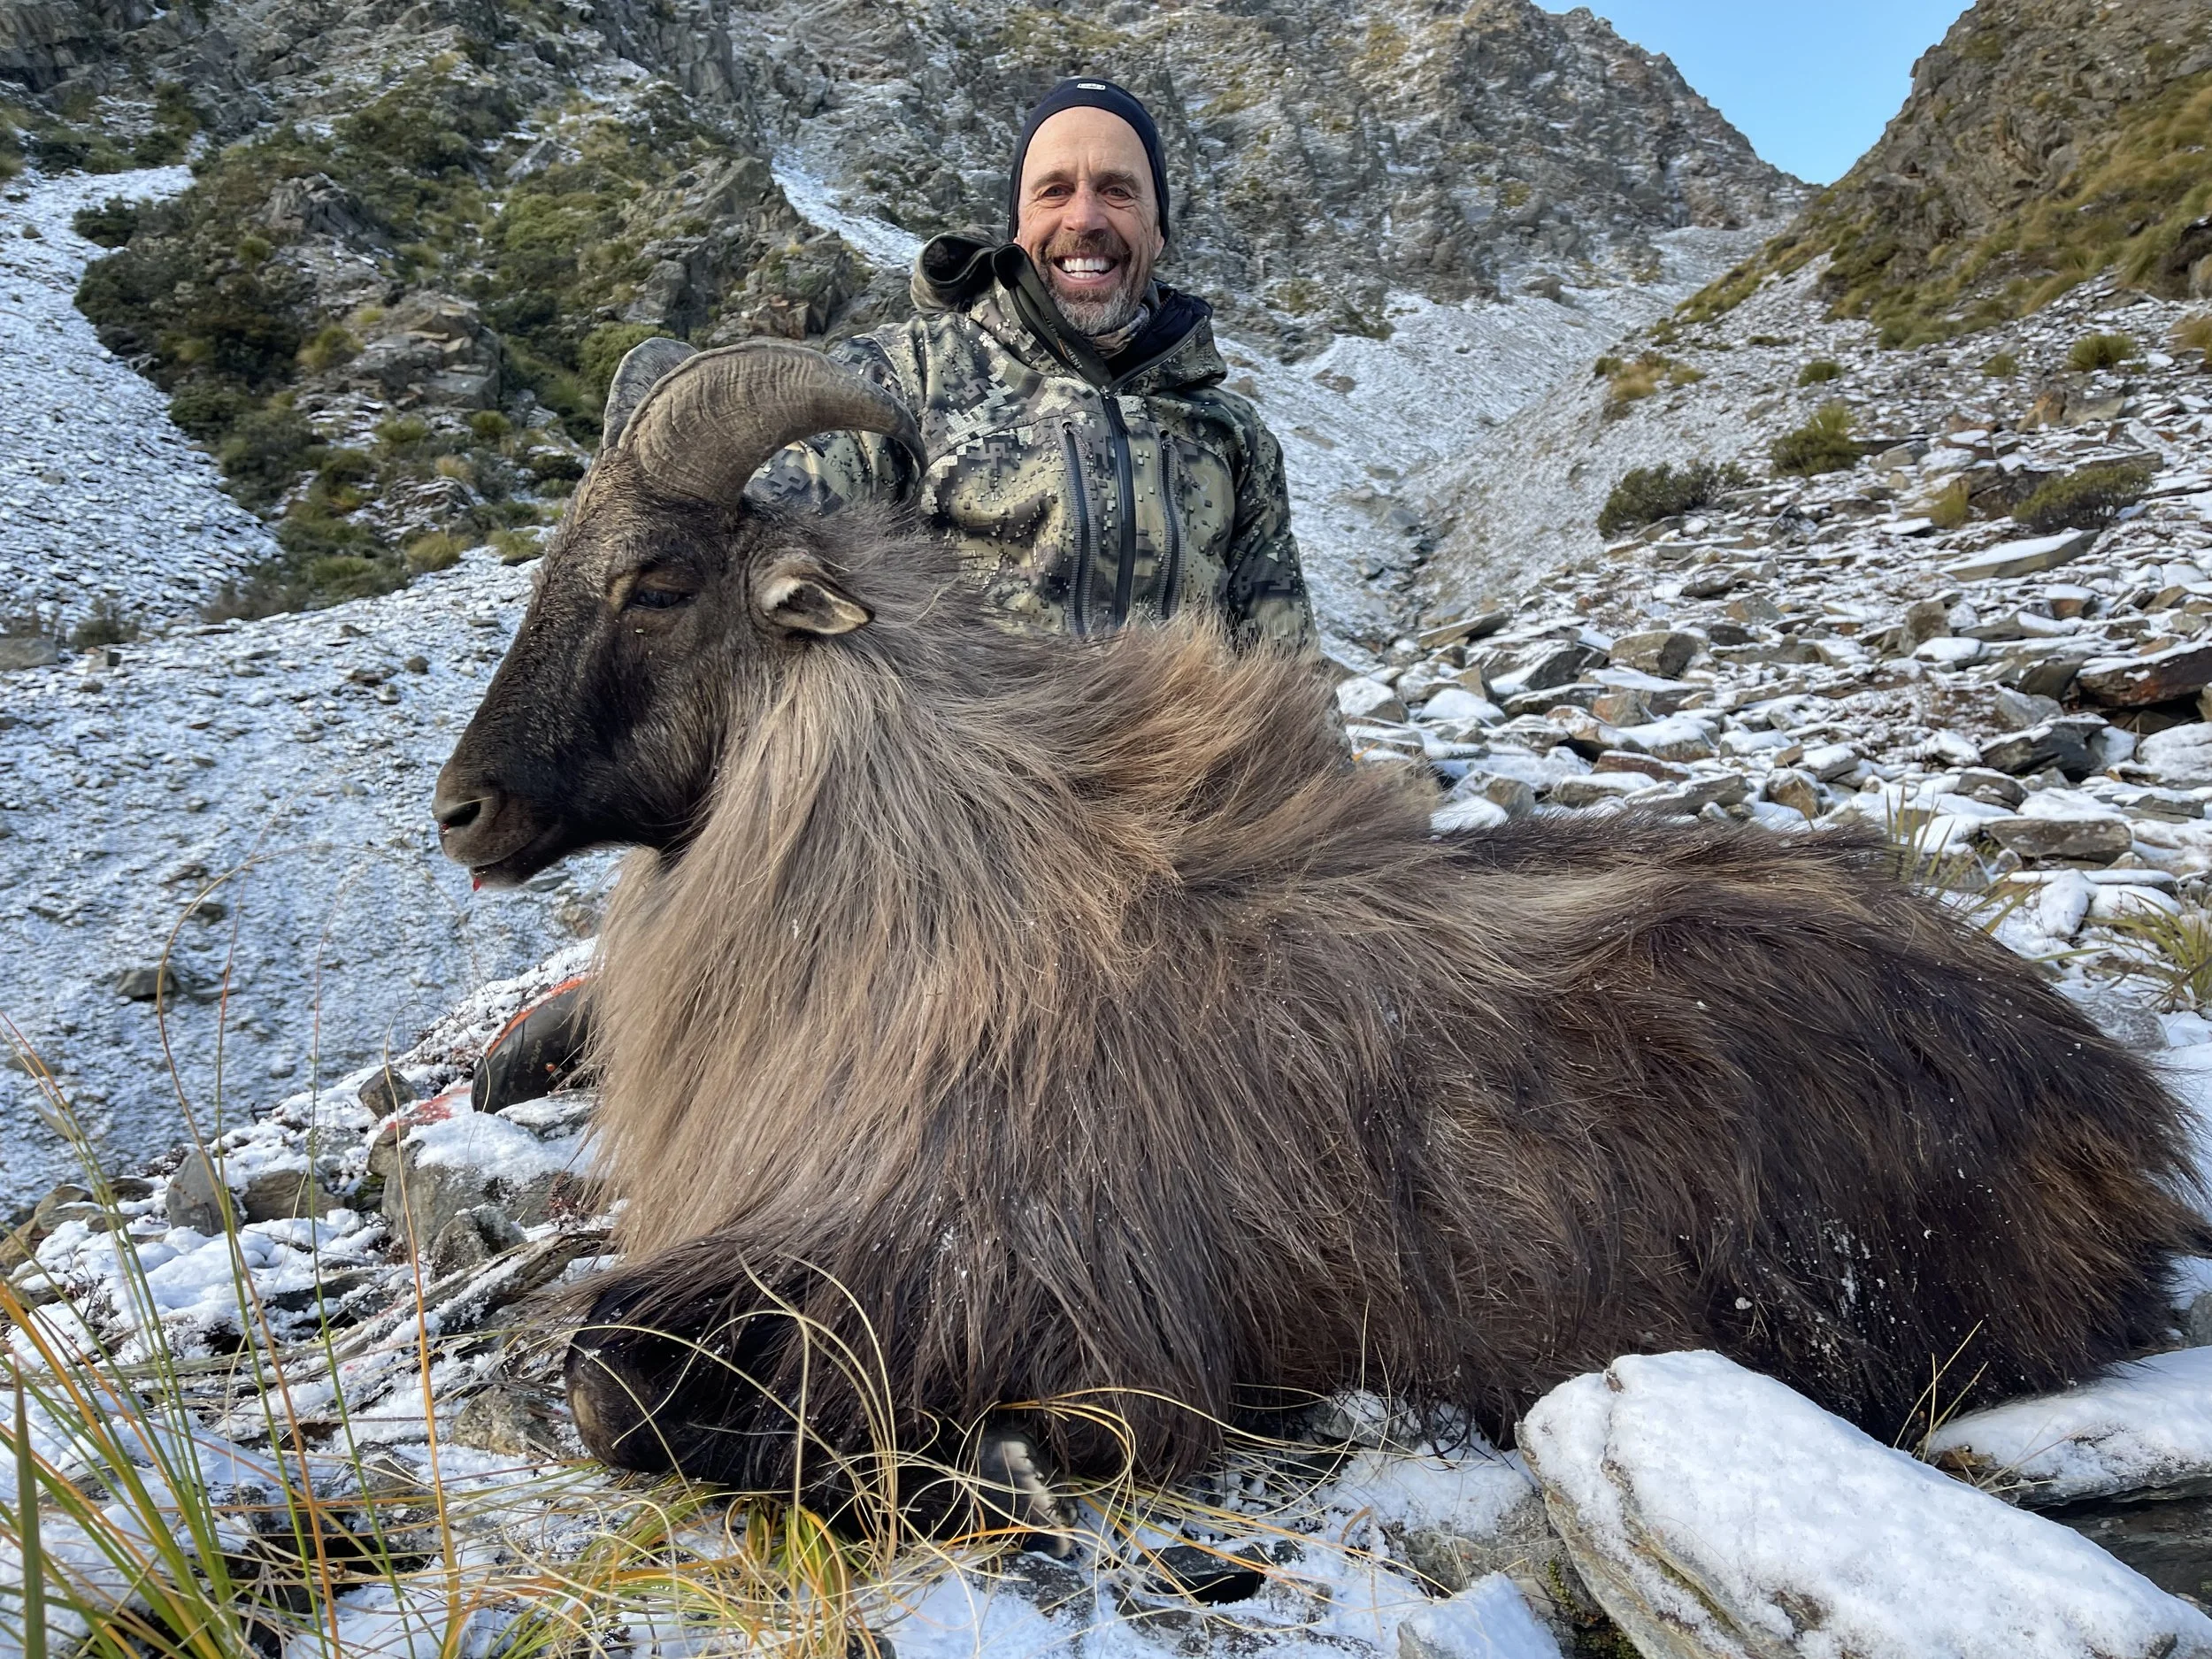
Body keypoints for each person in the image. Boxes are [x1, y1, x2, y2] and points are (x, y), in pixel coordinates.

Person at [750, 77, 1316, 652]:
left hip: (1186, 716)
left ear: (1159, 229)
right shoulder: (899, 377)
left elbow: (1288, 667)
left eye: (1118, 190)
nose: (1084, 218)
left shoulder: (1235, 437)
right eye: (1054, 191)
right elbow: (753, 551)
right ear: (1018, 230)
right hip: (960, 714)